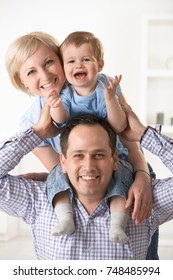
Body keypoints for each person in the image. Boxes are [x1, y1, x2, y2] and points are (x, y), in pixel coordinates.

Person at [5, 31, 156, 256]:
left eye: (49, 62)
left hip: (131, 169)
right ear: (22, 81)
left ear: (61, 60)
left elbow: (131, 143)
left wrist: (142, 176)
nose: (45, 75)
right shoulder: (30, 123)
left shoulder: (100, 87)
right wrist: (50, 177)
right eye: (31, 71)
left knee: (139, 251)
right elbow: (60, 169)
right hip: (87, 184)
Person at [0, 105, 173, 260]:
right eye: (78, 155)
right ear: (64, 161)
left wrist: (143, 134)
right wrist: (38, 133)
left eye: (98, 155)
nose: (89, 166)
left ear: (114, 160)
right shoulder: (37, 200)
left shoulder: (143, 201)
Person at [47, 31, 131, 242]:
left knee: (121, 180)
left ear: (100, 64)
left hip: (112, 154)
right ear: (64, 68)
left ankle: (117, 224)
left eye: (86, 59)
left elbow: (120, 125)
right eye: (71, 61)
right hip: (76, 155)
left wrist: (112, 99)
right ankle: (65, 217)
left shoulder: (107, 87)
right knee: (56, 177)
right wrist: (55, 106)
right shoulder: (66, 93)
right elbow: (60, 121)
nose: (79, 65)